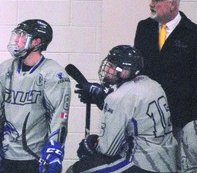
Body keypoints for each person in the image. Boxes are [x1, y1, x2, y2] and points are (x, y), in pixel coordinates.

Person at [0, 19, 71, 173]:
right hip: (4, 155)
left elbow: (59, 117)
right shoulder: (5, 69)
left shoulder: (53, 74)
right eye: (17, 35)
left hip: (34, 157)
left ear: (36, 42)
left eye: (22, 36)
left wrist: (54, 150)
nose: (16, 39)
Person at [67, 45, 177, 173]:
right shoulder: (153, 85)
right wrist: (104, 99)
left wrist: (90, 145)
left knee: (76, 170)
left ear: (126, 71)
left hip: (143, 164)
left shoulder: (118, 98)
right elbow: (135, 113)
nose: (107, 69)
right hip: (167, 162)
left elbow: (108, 150)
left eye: (112, 66)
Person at [134, 0, 197, 137]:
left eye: (157, 0)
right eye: (151, 0)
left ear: (172, 5)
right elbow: (138, 68)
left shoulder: (194, 33)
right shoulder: (144, 27)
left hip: (180, 115)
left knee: (177, 158)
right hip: (147, 113)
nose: (151, 4)